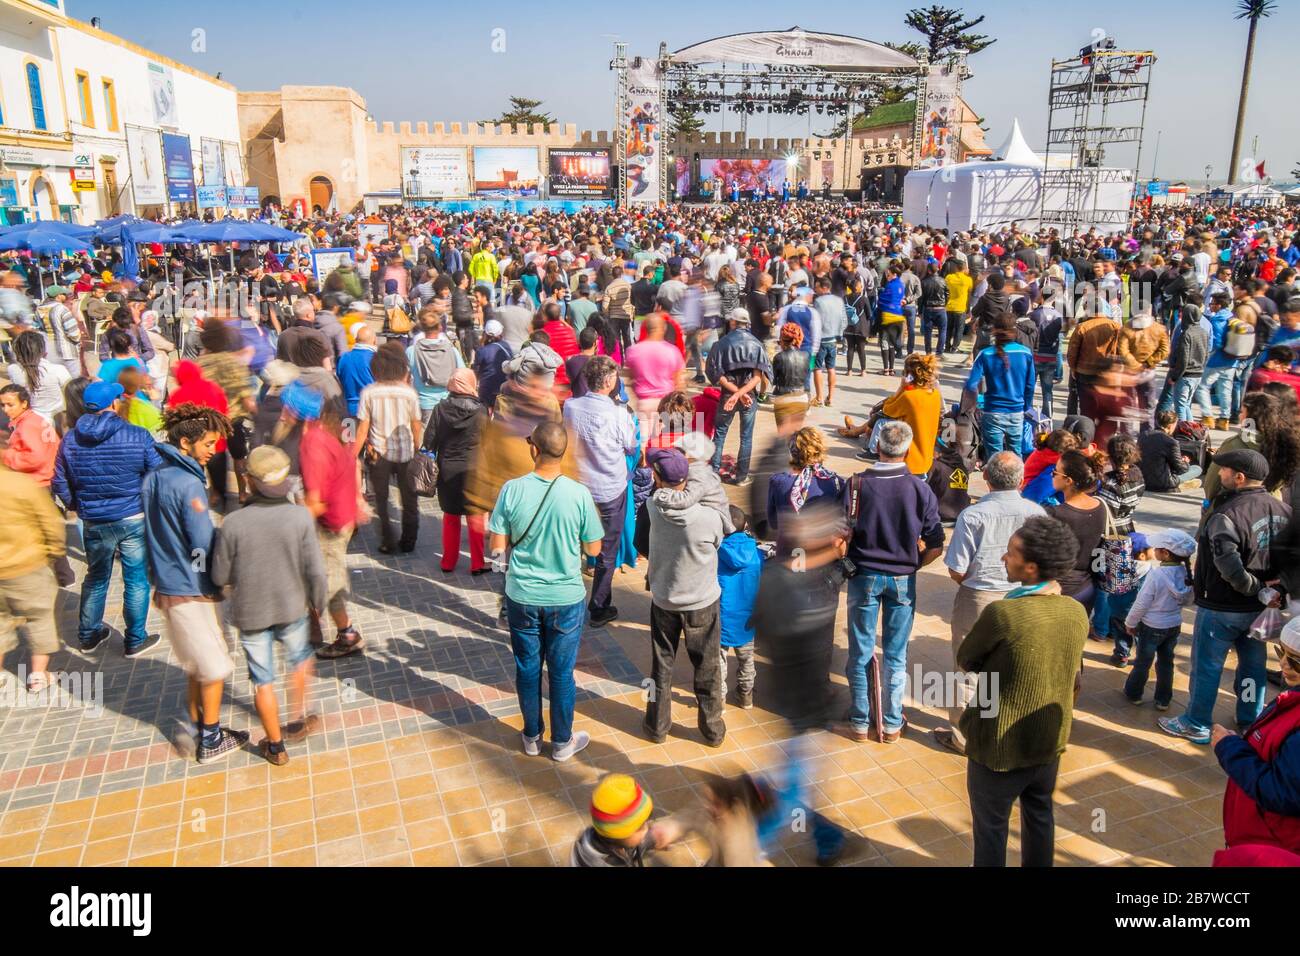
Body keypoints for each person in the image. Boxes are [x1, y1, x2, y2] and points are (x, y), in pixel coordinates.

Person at [958, 515, 1090, 867]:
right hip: (1048, 743)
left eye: (1011, 553)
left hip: (999, 746)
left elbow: (967, 658)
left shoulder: (1004, 614)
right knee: (1040, 817)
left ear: (1031, 567)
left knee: (991, 829)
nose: (1004, 557)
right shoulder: (1076, 612)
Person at [488, 421, 602, 762]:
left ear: (533, 449)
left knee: (527, 667)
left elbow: (497, 547)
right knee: (562, 672)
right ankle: (563, 742)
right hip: (566, 598)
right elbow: (594, 549)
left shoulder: (511, 489)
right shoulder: (579, 493)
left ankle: (532, 736)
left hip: (522, 595)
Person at [1160, 449, 1291, 744]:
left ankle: (1196, 722)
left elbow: (1228, 564)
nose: (1220, 475)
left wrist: (1256, 589)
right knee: (1253, 667)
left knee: (1207, 667)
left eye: (1224, 471)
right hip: (1260, 610)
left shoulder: (1227, 514)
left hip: (1222, 607)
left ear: (1240, 477)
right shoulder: (1284, 511)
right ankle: (1250, 719)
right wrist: (1275, 590)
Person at [141, 403, 246, 762]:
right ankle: (211, 738)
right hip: (192, 588)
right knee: (214, 664)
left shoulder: (155, 476)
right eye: (208, 444)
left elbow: (151, 534)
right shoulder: (189, 485)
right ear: (185, 443)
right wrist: (214, 581)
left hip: (168, 583)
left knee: (197, 663)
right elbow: (201, 544)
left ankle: (196, 721)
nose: (213, 450)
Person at [211, 445, 328, 765]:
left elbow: (219, 574)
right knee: (300, 659)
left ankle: (275, 746)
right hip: (292, 607)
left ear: (249, 480)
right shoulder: (299, 517)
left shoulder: (233, 523)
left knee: (262, 681)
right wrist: (319, 603)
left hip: (251, 613)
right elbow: (316, 569)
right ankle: (298, 716)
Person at [935, 451, 1046, 755]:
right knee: (1013, 664)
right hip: (1022, 597)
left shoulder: (972, 516)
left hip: (978, 596)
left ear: (985, 479)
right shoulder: (1037, 513)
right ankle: (1007, 730)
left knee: (968, 668)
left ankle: (964, 738)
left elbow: (957, 568)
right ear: (1021, 480)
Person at [841, 420, 945, 742]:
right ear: (908, 449)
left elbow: (840, 533)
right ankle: (891, 723)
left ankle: (860, 722)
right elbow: (936, 542)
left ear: (877, 446)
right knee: (896, 655)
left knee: (860, 652)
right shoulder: (918, 488)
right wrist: (916, 564)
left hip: (863, 576)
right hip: (903, 579)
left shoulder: (856, 484)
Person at [52, 380, 162, 656]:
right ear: (114, 403)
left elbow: (59, 481)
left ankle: (88, 635)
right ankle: (135, 638)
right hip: (132, 516)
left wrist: (77, 505)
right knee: (136, 579)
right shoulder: (137, 435)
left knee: (96, 577)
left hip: (94, 520)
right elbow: (157, 474)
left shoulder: (70, 439)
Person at [634, 446, 728, 746]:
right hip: (702, 600)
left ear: (658, 479)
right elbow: (717, 542)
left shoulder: (650, 508)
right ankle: (712, 729)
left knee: (660, 666)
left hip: (664, 599)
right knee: (708, 666)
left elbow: (641, 545)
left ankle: (656, 725)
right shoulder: (708, 516)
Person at [1211, 616, 1300, 864]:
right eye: (1282, 652)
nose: (1284, 664)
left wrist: (1229, 748)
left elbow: (1280, 792)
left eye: (1296, 661)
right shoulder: (1292, 698)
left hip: (1271, 846)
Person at [563, 356, 637, 626]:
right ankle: (598, 606)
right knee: (607, 550)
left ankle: (568, 600)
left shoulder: (570, 407)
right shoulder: (619, 413)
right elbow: (631, 445)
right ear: (608, 381)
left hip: (578, 486)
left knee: (573, 544)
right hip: (608, 490)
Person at [299, 393, 366, 660]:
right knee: (321, 575)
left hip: (330, 523)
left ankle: (347, 635)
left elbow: (314, 500)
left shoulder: (312, 443)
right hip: (342, 515)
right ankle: (313, 623)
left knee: (330, 581)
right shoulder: (330, 436)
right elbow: (353, 463)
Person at [0, 455, 66, 692]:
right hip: (27, 565)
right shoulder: (22, 484)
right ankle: (38, 675)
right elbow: (51, 522)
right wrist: (54, 552)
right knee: (40, 617)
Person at [355, 343, 425, 555]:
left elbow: (362, 429)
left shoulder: (369, 392)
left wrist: (352, 455)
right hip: (405, 453)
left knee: (382, 499)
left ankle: (387, 539)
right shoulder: (409, 393)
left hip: (379, 453)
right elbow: (416, 425)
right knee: (409, 499)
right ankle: (409, 540)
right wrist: (417, 448)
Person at [1123, 528, 1197, 710]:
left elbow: (1142, 603)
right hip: (1173, 625)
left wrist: (1130, 623)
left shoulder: (1156, 575)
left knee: (1143, 661)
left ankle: (1134, 692)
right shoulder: (1185, 574)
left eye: (1156, 548)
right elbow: (1189, 599)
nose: (1153, 550)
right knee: (1166, 662)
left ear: (1165, 553)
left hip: (1151, 627)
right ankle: (1163, 699)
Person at [426, 368, 489, 575]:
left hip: (447, 469)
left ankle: (448, 562)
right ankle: (477, 563)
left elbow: (429, 442)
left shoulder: (439, 409)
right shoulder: (480, 410)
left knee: (451, 517)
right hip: (473, 469)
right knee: (475, 516)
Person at [705, 308, 772, 486]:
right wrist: (742, 394)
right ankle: (741, 477)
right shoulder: (757, 344)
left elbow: (717, 376)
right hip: (749, 397)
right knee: (746, 438)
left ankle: (713, 476)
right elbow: (759, 377)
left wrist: (735, 394)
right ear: (747, 323)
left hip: (728, 396)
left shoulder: (721, 343)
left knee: (719, 435)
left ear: (732, 322)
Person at [570, 774, 690, 867]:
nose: (647, 828)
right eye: (641, 826)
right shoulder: (596, 862)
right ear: (621, 834)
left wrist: (653, 838)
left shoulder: (608, 838)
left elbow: (630, 845)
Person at [1044, 449, 1108, 615]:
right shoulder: (1101, 506)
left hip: (1058, 588)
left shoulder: (1055, 513)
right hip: (1087, 587)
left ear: (1068, 480)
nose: (1052, 475)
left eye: (1055, 472)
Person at [966, 313, 1036, 459]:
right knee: (1016, 456)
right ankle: (1017, 481)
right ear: (1015, 331)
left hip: (992, 411)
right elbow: (1030, 386)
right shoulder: (1026, 353)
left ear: (994, 330)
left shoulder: (985, 354)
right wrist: (1025, 406)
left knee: (994, 458)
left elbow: (971, 384)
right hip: (1017, 411)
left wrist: (975, 404)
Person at [765, 425, 845, 547]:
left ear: (792, 453)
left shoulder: (778, 481)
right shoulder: (837, 482)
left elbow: (773, 523)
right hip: (823, 551)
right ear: (819, 450)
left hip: (789, 550)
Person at [718, 505, 761, 709]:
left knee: (718, 661)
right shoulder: (756, 552)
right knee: (747, 660)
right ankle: (746, 696)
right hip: (748, 618)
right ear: (745, 525)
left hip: (721, 617)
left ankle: (718, 701)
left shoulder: (716, 552)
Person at [8, 330, 71, 424]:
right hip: (58, 422)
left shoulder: (13, 370)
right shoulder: (58, 370)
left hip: (31, 423)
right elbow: (70, 395)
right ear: (43, 350)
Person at [1139, 409, 1202, 492]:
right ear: (1170, 426)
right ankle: (1181, 485)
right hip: (1164, 483)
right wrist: (1185, 462)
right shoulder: (1171, 442)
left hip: (1143, 480)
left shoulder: (1143, 435)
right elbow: (1182, 469)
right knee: (1197, 469)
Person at [337, 324, 377, 418]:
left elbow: (339, 380)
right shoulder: (376, 358)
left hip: (348, 408)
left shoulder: (344, 358)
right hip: (370, 408)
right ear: (375, 340)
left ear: (356, 341)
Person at [472, 318, 513, 409]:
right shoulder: (506, 346)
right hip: (503, 387)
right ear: (500, 333)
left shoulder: (482, 351)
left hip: (486, 389)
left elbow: (476, 371)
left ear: (485, 333)